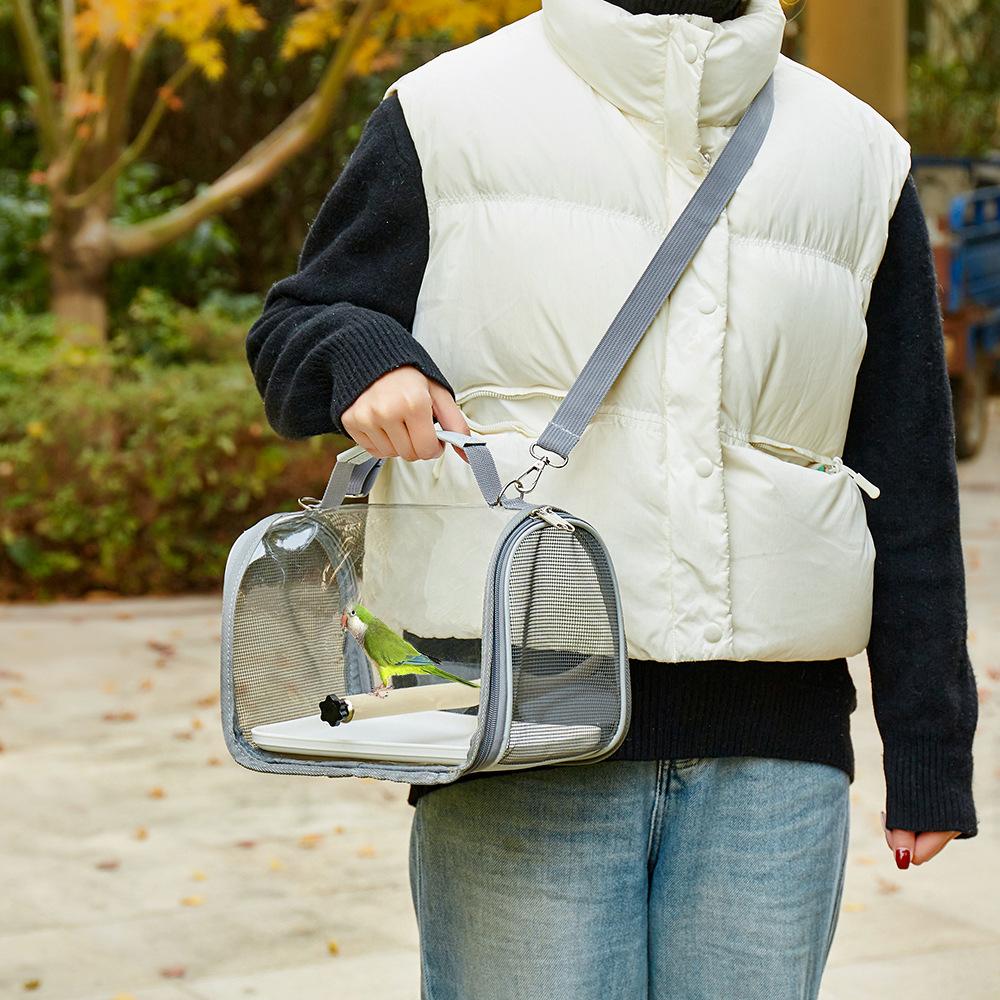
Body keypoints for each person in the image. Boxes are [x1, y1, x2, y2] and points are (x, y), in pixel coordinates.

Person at [245, 1, 979, 996]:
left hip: (773, 760)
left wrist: (928, 742)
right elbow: (296, 326)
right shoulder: (448, 110)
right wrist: (364, 355)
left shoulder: (858, 154)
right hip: (519, 736)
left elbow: (908, 466)